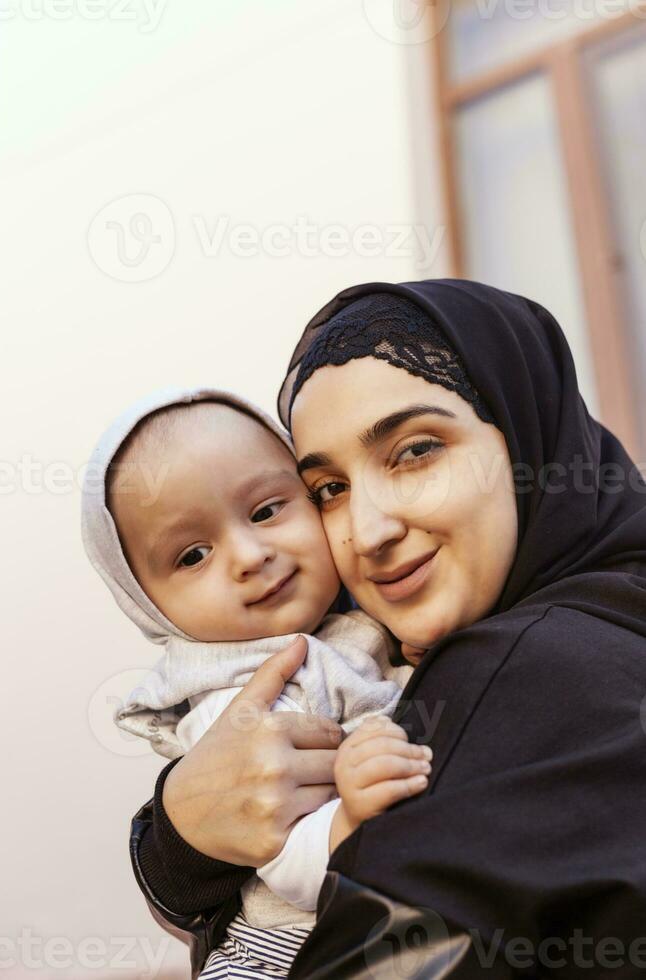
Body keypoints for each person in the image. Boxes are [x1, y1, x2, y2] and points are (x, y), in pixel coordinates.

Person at [127, 281, 646, 978]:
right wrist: (180, 840)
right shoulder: (613, 603)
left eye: (415, 451)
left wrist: (179, 847)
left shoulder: (517, 666)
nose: (368, 532)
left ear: (525, 430)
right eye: (328, 491)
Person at [81, 385, 421, 978]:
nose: (248, 554)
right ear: (151, 608)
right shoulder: (240, 701)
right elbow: (284, 858)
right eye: (192, 556)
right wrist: (349, 819)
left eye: (266, 511)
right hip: (283, 953)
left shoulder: (353, 623)